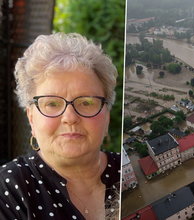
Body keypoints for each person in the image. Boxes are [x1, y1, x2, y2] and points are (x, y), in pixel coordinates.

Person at [0, 33, 120, 220]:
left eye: (86, 102)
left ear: (107, 117)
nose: (70, 118)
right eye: (52, 104)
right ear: (31, 118)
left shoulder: (130, 170)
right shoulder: (8, 189)